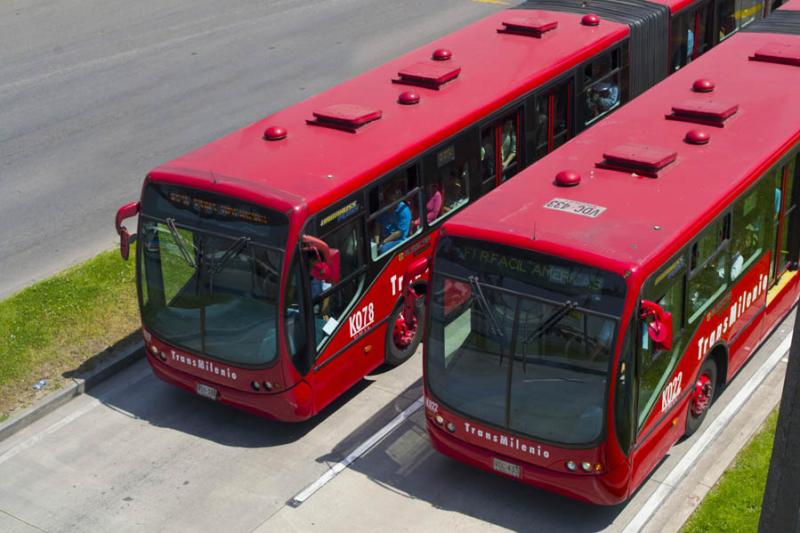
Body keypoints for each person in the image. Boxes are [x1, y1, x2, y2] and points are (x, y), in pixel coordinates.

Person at [376, 187, 412, 254]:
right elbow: (377, 224)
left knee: (383, 250)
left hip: (397, 240)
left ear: (397, 200)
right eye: (387, 200)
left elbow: (399, 232)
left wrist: (384, 242)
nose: (388, 203)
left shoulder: (404, 211)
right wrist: (377, 242)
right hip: (382, 237)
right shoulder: (384, 207)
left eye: (390, 201)